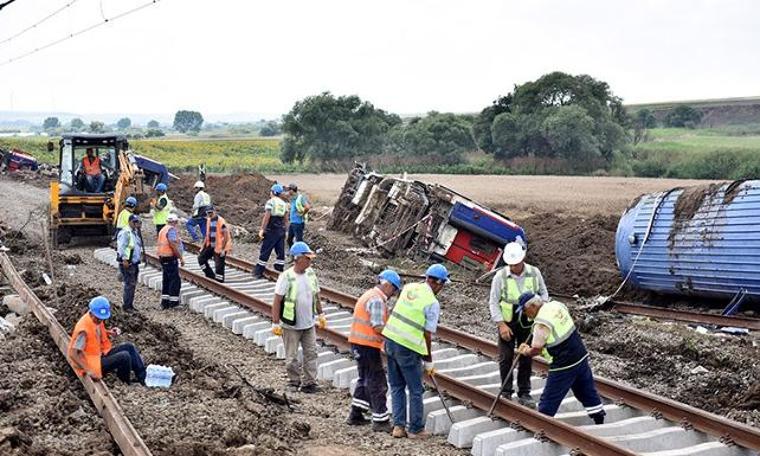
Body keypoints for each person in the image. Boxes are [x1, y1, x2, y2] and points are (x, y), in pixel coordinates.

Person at [516, 292, 606, 424]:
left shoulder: (541, 323)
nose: (524, 313)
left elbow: (536, 349)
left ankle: (542, 424)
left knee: (550, 398)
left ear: (534, 306)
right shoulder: (556, 305)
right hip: (580, 355)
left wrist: (525, 351)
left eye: (524, 309)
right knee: (585, 390)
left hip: (564, 363)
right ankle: (599, 418)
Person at [382, 263, 448, 439]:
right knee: (415, 389)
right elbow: (427, 334)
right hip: (408, 348)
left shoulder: (409, 287)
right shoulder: (432, 303)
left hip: (390, 340)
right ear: (438, 283)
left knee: (396, 386)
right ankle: (416, 428)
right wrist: (428, 360)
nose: (441, 289)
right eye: (442, 285)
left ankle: (398, 426)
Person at [489, 241, 548, 407]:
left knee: (526, 356)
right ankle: (506, 390)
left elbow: (544, 294)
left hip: (528, 321)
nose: (514, 267)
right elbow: (494, 302)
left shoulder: (534, 273)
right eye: (511, 264)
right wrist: (501, 324)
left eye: (516, 264)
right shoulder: (500, 276)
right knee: (505, 357)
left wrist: (539, 310)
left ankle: (524, 392)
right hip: (508, 321)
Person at [346, 269, 402, 432]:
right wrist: (394, 335)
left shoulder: (369, 294)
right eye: (394, 289)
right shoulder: (377, 299)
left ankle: (356, 414)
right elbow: (377, 326)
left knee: (364, 379)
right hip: (367, 345)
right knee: (377, 381)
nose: (393, 294)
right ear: (388, 285)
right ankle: (381, 420)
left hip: (359, 343)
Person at [271, 241, 326, 393]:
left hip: (308, 323)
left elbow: (316, 295)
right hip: (291, 325)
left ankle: (310, 383)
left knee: (311, 353)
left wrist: (320, 313)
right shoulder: (286, 277)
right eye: (307, 258)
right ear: (298, 258)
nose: (310, 261)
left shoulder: (311, 274)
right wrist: (275, 322)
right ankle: (294, 381)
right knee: (291, 357)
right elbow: (277, 300)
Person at [67, 296, 146, 384]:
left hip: (99, 354)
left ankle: (143, 377)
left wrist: (110, 332)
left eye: (102, 319)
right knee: (124, 356)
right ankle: (124, 383)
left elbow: (95, 332)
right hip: (91, 363)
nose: (99, 321)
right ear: (91, 312)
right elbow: (73, 353)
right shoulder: (83, 330)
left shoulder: (95, 320)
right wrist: (88, 371)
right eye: (97, 318)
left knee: (129, 347)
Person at [254, 183, 289, 278]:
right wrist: (286, 231)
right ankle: (279, 270)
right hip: (281, 230)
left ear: (273, 192)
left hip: (271, 229)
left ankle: (258, 272)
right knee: (280, 251)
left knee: (265, 250)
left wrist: (262, 229)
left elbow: (267, 217)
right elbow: (286, 219)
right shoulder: (284, 204)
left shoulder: (271, 202)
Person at [197, 206, 232, 283]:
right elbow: (207, 235)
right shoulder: (209, 220)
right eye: (208, 213)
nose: (209, 214)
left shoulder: (221, 221)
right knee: (201, 259)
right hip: (211, 245)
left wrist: (223, 249)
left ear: (214, 211)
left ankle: (219, 281)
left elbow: (226, 235)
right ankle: (210, 275)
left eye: (210, 212)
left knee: (219, 265)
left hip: (220, 246)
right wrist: (203, 247)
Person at [157, 213, 185, 309]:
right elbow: (172, 244)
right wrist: (180, 257)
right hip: (170, 257)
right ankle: (174, 303)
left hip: (162, 257)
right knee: (175, 280)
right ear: (175, 222)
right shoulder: (171, 230)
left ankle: (164, 302)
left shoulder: (163, 229)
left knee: (166, 279)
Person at [117, 214, 144, 312]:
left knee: (132, 284)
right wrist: (124, 259)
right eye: (135, 222)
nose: (136, 224)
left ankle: (130, 305)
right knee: (129, 284)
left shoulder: (135, 232)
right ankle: (127, 306)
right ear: (130, 222)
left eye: (138, 222)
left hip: (134, 262)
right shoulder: (125, 232)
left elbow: (136, 246)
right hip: (128, 263)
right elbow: (121, 247)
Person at [286, 183, 311, 248]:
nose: (288, 191)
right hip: (292, 222)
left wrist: (302, 214)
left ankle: (301, 255)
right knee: (289, 240)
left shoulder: (300, 198)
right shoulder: (292, 198)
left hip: (298, 223)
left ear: (292, 190)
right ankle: (294, 253)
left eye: (289, 189)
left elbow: (307, 207)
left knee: (299, 241)